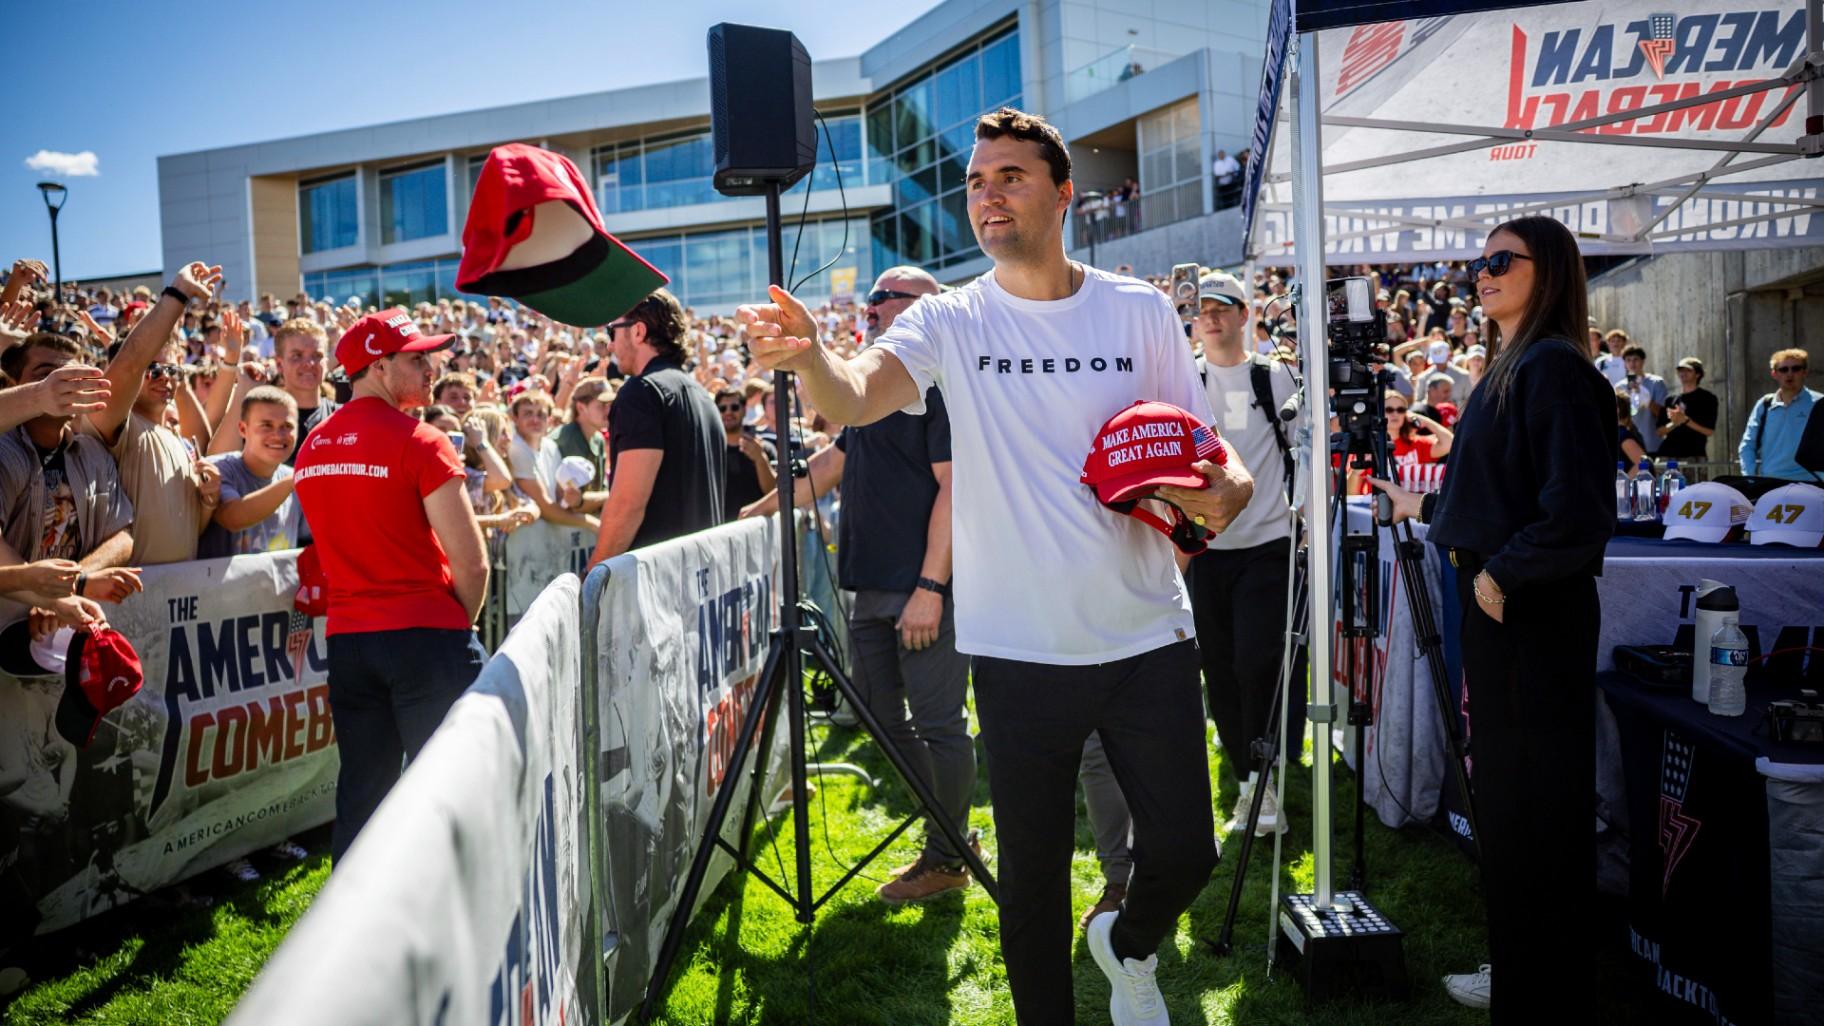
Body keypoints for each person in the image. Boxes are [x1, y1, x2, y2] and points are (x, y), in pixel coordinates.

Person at [738, 107, 1253, 1026]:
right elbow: (856, 397)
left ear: (1064, 194)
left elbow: (1217, 458)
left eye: (1009, 176)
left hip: (1148, 634)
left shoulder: (1137, 310)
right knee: (1033, 883)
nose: (987, 194)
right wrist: (812, 357)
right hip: (1017, 651)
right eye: (976, 181)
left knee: (1187, 853)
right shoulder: (949, 318)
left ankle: (1128, 945)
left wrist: (1229, 493)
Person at [1371, 216, 1614, 1019]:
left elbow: (1575, 515)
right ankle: (1523, 971)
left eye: (1501, 259)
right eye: (1478, 261)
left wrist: (1500, 576)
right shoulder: (1519, 364)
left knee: (1534, 811)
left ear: (1549, 270)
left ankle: (1540, 987)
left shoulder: (1553, 367)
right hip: (1505, 614)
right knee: (1512, 808)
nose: (1482, 272)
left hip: (1528, 619)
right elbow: (1500, 495)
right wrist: (1426, 505)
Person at [742, 265, 980, 906]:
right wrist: (760, 511)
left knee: (940, 725)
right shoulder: (874, 386)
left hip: (923, 587)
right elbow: (832, 463)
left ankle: (947, 854)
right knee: (878, 717)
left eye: (883, 297)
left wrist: (932, 585)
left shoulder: (942, 387)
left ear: (926, 308)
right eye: (870, 298)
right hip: (869, 586)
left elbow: (955, 491)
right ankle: (953, 838)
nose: (869, 308)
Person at [292, 308, 490, 863]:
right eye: (417, 358)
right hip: (427, 636)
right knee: (453, 790)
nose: (432, 369)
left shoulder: (312, 447)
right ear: (378, 366)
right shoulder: (422, 440)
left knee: (364, 793)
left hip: (352, 643)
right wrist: (458, 627)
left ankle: (348, 934)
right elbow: (472, 564)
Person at [80, 264, 226, 565]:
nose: (165, 378)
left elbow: (190, 530)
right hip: (128, 599)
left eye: (172, 370)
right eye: (154, 369)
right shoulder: (120, 426)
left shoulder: (177, 438)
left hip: (180, 597)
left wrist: (209, 500)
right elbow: (131, 364)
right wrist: (177, 294)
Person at [589, 289, 725, 564]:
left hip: (658, 584)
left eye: (612, 331)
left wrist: (592, 577)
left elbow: (628, 504)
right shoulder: (704, 397)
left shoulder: (641, 392)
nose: (611, 346)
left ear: (638, 332)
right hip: (702, 579)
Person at [199, 387, 303, 558]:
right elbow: (233, 518)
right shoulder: (217, 469)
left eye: (287, 426)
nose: (278, 435)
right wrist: (298, 476)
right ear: (242, 429)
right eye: (266, 425)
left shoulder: (295, 477)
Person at [1738, 348, 1819, 481]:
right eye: (1783, 369)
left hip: (1811, 484)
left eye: (1796, 368)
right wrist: (1751, 479)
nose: (1790, 374)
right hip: (1770, 484)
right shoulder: (1764, 404)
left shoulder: (1819, 403)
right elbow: (1748, 445)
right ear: (1774, 374)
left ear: (1805, 372)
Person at [716, 383, 775, 521]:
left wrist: (760, 460)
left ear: (744, 410)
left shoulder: (764, 448)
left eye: (735, 407)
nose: (728, 412)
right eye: (722, 408)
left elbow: (773, 492)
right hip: (720, 531)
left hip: (757, 529)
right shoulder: (710, 451)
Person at [1654, 356, 1716, 460]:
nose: (1683, 373)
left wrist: (1685, 420)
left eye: (1688, 370)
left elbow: (1709, 431)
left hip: (1694, 456)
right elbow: (1659, 432)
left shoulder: (1707, 398)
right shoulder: (1670, 400)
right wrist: (1674, 423)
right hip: (1668, 456)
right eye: (1680, 370)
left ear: (1698, 374)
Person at [1617, 343, 1668, 454]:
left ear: (1643, 361)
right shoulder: (1619, 386)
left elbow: (1663, 415)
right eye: (1628, 360)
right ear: (1624, 363)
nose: (1632, 363)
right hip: (1628, 444)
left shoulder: (1656, 382)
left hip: (1652, 443)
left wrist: (1647, 400)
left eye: (1636, 359)